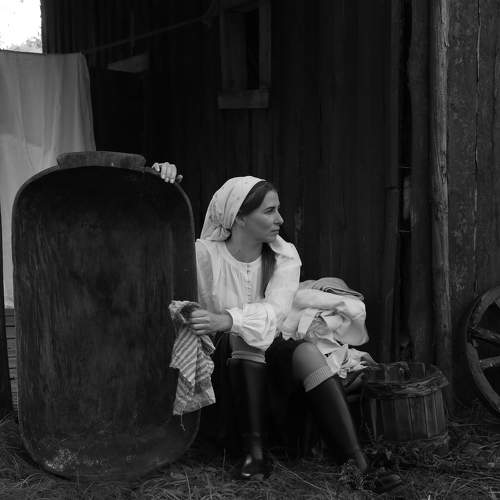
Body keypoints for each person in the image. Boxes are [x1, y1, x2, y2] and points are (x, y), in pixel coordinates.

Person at [152, 162, 402, 493]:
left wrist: (227, 319)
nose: (280, 219)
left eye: (278, 210)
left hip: (268, 371)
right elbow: (157, 251)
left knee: (307, 353)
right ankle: (254, 456)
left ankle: (357, 463)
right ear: (239, 218)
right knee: (244, 338)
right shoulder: (204, 255)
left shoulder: (284, 256)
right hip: (221, 374)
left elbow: (275, 312)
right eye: (270, 211)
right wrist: (161, 182)